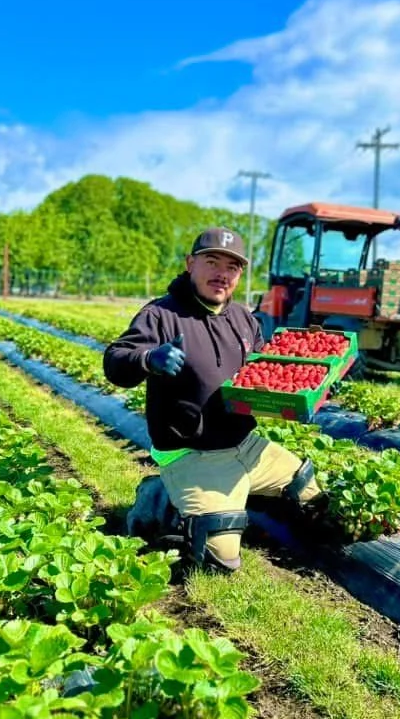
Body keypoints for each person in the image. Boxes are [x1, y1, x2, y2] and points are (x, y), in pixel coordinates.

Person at [103, 226, 325, 572]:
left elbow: (267, 369)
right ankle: (160, 497)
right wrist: (149, 359)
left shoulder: (243, 319)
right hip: (192, 451)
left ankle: (231, 499)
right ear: (190, 263)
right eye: (212, 261)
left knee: (307, 489)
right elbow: (116, 360)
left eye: (232, 267)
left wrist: (316, 382)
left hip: (245, 445)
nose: (222, 273)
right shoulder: (160, 315)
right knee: (220, 560)